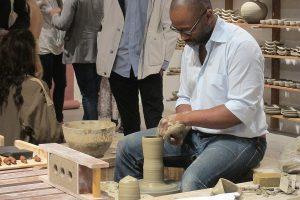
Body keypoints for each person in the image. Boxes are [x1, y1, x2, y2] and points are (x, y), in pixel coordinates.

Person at [114, 0, 268, 192]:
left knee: (192, 181)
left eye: (186, 30)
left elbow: (240, 110)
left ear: (209, 16)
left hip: (240, 141)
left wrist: (185, 118)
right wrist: (182, 126)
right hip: (197, 135)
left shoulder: (240, 46)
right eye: (177, 30)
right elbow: (185, 97)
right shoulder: (192, 45)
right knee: (126, 148)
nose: (182, 37)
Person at [97, 0, 178, 135]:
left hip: (150, 64)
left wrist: (164, 62)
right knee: (129, 124)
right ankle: (134, 155)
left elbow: (170, 26)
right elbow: (102, 21)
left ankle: (156, 154)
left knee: (154, 120)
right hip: (119, 63)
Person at [0, 29, 62, 146]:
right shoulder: (34, 87)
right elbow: (48, 134)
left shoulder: (5, 84)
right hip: (23, 158)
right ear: (30, 55)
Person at [49, 0, 103, 120]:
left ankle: (92, 132)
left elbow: (62, 24)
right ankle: (88, 126)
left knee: (88, 95)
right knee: (93, 93)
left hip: (81, 50)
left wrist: (54, 14)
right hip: (98, 48)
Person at [37, 0, 66, 123]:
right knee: (45, 84)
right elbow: (33, 9)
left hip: (58, 46)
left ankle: (58, 116)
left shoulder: (58, 1)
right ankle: (46, 118)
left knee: (61, 83)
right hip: (44, 46)